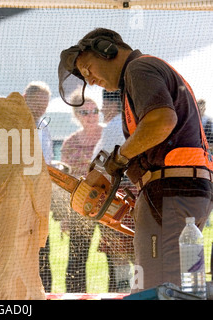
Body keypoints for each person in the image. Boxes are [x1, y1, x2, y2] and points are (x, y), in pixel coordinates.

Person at [58, 28, 213, 292]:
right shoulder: (143, 73)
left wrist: (119, 158)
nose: (90, 80)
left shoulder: (138, 70)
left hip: (171, 193)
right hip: (181, 191)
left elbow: (161, 121)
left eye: (87, 68)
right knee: (184, 288)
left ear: (107, 49)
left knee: (158, 289)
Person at [93, 89, 135, 292]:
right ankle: (134, 288)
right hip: (133, 188)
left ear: (112, 104)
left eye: (105, 105)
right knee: (133, 245)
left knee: (121, 247)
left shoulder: (114, 125)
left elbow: (102, 161)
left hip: (120, 189)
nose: (102, 109)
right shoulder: (132, 121)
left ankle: (125, 289)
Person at [60, 94, 102, 293]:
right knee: (77, 258)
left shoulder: (108, 135)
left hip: (108, 203)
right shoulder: (70, 143)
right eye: (86, 112)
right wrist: (65, 216)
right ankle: (75, 295)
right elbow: (65, 181)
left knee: (116, 256)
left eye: (95, 111)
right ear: (77, 115)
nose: (91, 116)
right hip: (80, 206)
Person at [23, 81, 53, 293]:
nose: (42, 107)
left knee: (43, 246)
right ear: (25, 97)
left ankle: (44, 291)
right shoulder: (11, 123)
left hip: (39, 197)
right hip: (18, 197)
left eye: (46, 103)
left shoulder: (44, 125)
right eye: (38, 102)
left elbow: (48, 159)